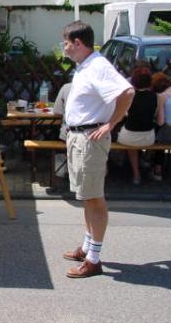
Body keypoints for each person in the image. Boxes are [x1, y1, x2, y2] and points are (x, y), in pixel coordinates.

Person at [61, 21, 134, 279]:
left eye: (66, 43)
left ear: (78, 43)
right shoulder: (87, 66)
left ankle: (93, 259)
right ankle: (87, 247)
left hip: (89, 138)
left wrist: (110, 124)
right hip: (80, 137)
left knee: (94, 198)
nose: (65, 48)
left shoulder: (98, 66)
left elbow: (127, 92)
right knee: (87, 196)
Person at [116, 67, 158, 185]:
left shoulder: (130, 96)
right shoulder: (155, 96)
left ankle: (136, 174)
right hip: (148, 136)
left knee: (130, 143)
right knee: (137, 139)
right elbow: (156, 115)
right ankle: (145, 160)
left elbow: (121, 115)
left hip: (130, 135)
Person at [52, 81, 72, 177]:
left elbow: (57, 112)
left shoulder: (67, 87)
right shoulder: (102, 88)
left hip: (68, 133)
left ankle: (66, 169)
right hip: (96, 134)